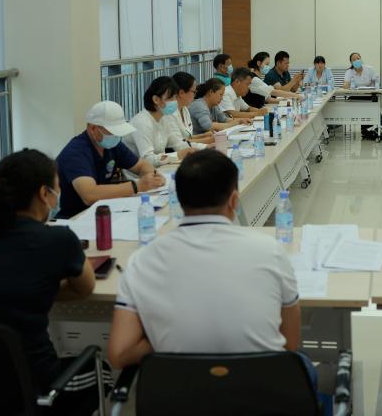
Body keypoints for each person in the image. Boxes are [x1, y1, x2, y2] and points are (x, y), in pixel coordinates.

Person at [107, 150, 315, 385]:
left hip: (179, 393)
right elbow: (289, 345)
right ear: (234, 201)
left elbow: (120, 354)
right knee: (303, 365)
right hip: (260, 392)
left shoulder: (142, 260)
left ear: (178, 200)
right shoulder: (271, 251)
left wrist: (164, 336)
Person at [0, 149, 99, 415]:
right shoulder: (58, 239)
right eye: (57, 188)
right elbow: (85, 288)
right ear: (44, 193)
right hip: (33, 386)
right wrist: (38, 289)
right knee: (101, 368)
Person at [55, 101, 166, 219]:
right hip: (74, 218)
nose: (116, 137)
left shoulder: (113, 145)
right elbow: (89, 195)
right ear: (93, 128)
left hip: (102, 211)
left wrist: (153, 175)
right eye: (113, 132)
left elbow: (140, 166)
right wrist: (137, 186)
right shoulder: (76, 153)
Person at [125, 76, 196, 168]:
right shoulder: (141, 122)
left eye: (175, 97)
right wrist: (177, 155)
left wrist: (201, 149)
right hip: (139, 174)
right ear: (156, 99)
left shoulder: (164, 118)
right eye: (170, 98)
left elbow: (178, 144)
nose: (175, 102)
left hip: (160, 169)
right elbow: (148, 159)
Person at [165, 72, 215, 146]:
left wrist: (202, 136)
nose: (195, 95)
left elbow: (187, 137)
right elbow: (178, 144)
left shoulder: (184, 109)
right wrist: (207, 141)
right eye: (194, 92)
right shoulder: (169, 113)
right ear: (181, 93)